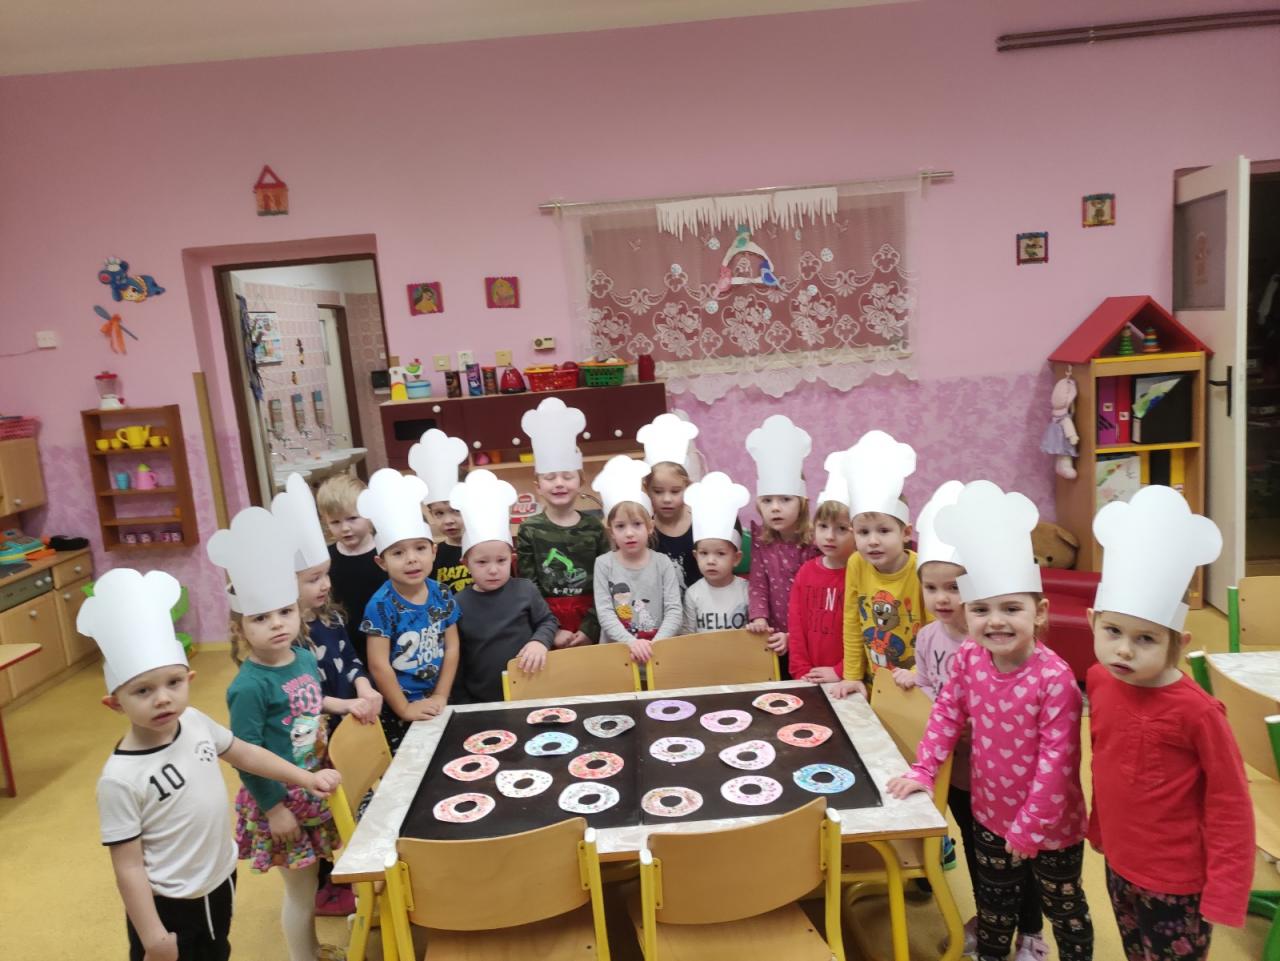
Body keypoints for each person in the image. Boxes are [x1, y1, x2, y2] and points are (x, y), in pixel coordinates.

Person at [82, 568, 341, 961]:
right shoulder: (120, 779)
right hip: (171, 900)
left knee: (218, 950)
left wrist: (304, 778)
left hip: (218, 876)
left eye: (173, 683)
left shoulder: (194, 721)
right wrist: (152, 937)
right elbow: (128, 868)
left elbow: (246, 753)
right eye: (143, 690)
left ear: (189, 678)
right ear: (115, 703)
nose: (163, 699)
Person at [885, 481, 1093, 961]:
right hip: (988, 812)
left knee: (1066, 912)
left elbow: (1057, 762)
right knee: (994, 910)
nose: (994, 621)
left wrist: (1029, 827)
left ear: (1039, 612)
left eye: (1011, 608)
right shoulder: (969, 657)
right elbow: (945, 714)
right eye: (980, 609)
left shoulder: (1055, 679)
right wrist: (924, 769)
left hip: (1050, 828)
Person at [1088, 486, 1254, 961]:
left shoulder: (1198, 712)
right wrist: (1100, 829)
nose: (1124, 649)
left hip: (1179, 883)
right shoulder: (1099, 680)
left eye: (1145, 639)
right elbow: (1105, 761)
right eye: (1113, 631)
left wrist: (1227, 889)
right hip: (1121, 865)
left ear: (1178, 642)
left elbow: (1230, 802)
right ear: (1091, 621)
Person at [207, 507, 367, 961]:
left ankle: (313, 949)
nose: (277, 623)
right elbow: (244, 755)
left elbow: (311, 702)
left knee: (315, 876)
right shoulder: (249, 687)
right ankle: (303, 956)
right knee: (299, 891)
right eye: (260, 618)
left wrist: (343, 704)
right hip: (279, 797)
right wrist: (274, 808)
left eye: (284, 612)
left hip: (314, 784)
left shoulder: (303, 658)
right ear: (239, 628)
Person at [273, 472, 384, 916]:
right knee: (317, 809)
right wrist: (346, 703)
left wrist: (362, 685)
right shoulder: (289, 639)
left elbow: (350, 660)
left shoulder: (332, 618)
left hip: (346, 721)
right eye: (313, 579)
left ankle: (359, 872)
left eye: (324, 576)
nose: (324, 585)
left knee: (352, 797)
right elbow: (305, 696)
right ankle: (324, 882)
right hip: (312, 737)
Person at [356, 468, 461, 752]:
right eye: (398, 553)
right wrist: (404, 708)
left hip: (439, 698)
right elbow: (378, 664)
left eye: (420, 549)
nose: (411, 559)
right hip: (400, 708)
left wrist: (441, 695)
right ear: (381, 562)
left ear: (434, 551)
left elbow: (451, 647)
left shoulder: (442, 593)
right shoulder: (380, 605)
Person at [830, 430, 925, 698]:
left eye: (883, 531)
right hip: (875, 684)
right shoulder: (857, 563)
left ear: (906, 533)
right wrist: (851, 675)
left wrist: (920, 672)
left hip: (917, 685)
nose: (872, 541)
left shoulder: (921, 569)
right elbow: (852, 621)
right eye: (863, 532)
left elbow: (936, 629)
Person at [450, 470, 558, 703]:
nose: (493, 570)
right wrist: (461, 702)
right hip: (482, 700)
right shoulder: (458, 603)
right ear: (466, 564)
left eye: (501, 561)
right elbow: (455, 657)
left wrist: (539, 642)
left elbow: (548, 621)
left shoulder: (525, 590)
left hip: (533, 691)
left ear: (512, 559)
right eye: (482, 562)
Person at [517, 397, 609, 647]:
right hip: (547, 624)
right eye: (550, 477)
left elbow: (606, 582)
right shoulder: (529, 529)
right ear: (538, 486)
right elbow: (528, 587)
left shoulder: (594, 528)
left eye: (567, 476)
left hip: (593, 620)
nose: (559, 483)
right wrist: (551, 629)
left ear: (581, 482)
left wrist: (590, 628)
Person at [744, 415, 819, 677]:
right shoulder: (762, 541)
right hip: (772, 635)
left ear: (802, 502)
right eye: (767, 501)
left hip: (807, 636)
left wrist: (793, 635)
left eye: (785, 499)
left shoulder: (813, 543)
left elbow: (814, 599)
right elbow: (758, 583)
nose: (775, 508)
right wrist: (759, 617)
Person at [591, 455, 683, 663]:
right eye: (620, 526)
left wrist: (654, 645)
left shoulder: (662, 563)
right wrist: (632, 642)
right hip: (618, 655)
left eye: (637, 524)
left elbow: (674, 610)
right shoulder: (604, 564)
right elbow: (605, 613)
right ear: (611, 531)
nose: (629, 533)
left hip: (659, 653)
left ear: (650, 527)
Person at [787, 458, 857, 683]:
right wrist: (801, 671)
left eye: (842, 529)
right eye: (823, 526)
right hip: (808, 677)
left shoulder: (861, 575)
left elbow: (864, 634)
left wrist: (841, 671)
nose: (829, 536)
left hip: (848, 678)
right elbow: (796, 627)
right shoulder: (806, 572)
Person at [316, 473, 383, 662]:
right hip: (345, 646)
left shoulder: (386, 552)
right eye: (335, 522)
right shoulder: (325, 560)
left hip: (385, 642)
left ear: (369, 515)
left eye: (352, 518)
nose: (345, 528)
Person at [637, 412, 703, 591]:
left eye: (675, 491)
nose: (667, 499)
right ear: (647, 489)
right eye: (658, 491)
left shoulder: (701, 524)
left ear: (687, 487)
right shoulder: (644, 530)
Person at [680, 472, 751, 633]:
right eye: (704, 553)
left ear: (736, 558)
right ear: (695, 556)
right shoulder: (693, 594)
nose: (711, 560)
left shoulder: (746, 591)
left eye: (720, 554)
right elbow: (687, 637)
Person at [409, 428, 473, 594]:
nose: (448, 520)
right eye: (439, 513)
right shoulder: (433, 556)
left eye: (456, 510)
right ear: (430, 514)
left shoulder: (486, 549)